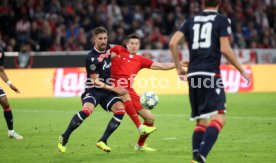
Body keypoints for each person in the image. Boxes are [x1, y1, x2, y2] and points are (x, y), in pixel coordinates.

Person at [169, 0, 251, 162]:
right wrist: (241, 70)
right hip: (210, 74)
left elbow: (172, 43)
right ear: (220, 2)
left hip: (193, 75)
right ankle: (201, 157)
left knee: (202, 119)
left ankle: (195, 158)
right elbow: (225, 49)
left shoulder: (190, 21)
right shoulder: (222, 20)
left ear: (203, 2)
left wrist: (179, 68)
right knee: (220, 116)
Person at [58, 27, 156, 153]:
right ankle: (64, 136)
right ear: (95, 39)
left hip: (107, 92)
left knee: (120, 110)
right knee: (87, 111)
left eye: (105, 38)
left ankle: (103, 140)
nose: (103, 41)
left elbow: (121, 50)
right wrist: (114, 88)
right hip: (93, 89)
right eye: (100, 39)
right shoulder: (91, 57)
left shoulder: (110, 48)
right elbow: (96, 81)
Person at [106, 33, 187, 151]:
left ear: (139, 46)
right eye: (132, 43)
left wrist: (178, 64)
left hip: (129, 89)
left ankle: (140, 145)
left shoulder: (140, 60)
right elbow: (105, 54)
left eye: (136, 44)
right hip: (114, 85)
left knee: (150, 118)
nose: (134, 46)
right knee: (124, 93)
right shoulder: (119, 50)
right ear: (127, 44)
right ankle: (139, 126)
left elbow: (161, 66)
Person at [0, 49, 23, 140]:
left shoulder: (0, 53)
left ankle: (11, 131)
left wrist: (10, 84)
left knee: (5, 102)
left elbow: (1, 70)